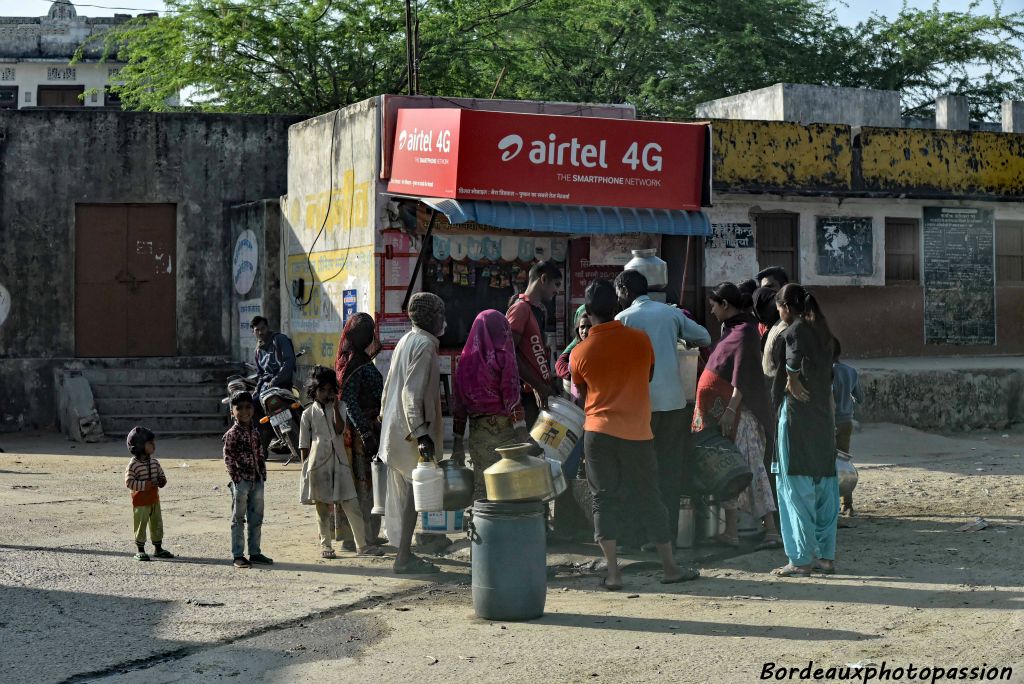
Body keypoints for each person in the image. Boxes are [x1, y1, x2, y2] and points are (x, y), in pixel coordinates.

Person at [571, 279, 697, 590]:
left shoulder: (580, 352)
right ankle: (670, 567)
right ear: (616, 307)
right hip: (638, 431)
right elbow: (649, 374)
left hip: (598, 433)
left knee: (603, 499)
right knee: (650, 496)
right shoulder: (640, 341)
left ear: (587, 312)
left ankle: (613, 573)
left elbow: (581, 390)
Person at [615, 269, 711, 546]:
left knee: (639, 471)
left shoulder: (623, 319)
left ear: (623, 291)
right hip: (673, 405)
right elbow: (704, 337)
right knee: (669, 471)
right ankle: (664, 537)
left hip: (639, 408)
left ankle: (639, 534)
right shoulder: (670, 314)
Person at [693, 283, 780, 549]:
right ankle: (731, 531)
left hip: (742, 417)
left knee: (753, 469)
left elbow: (743, 375)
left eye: (714, 305)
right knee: (728, 469)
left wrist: (731, 410)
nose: (711, 310)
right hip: (723, 416)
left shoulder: (745, 332)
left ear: (725, 305)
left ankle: (771, 531)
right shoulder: (730, 330)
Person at [771, 283, 839, 577]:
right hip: (823, 418)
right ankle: (825, 556)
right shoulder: (823, 333)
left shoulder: (795, 330)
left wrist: (793, 378)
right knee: (824, 485)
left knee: (794, 488)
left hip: (798, 419)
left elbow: (792, 358)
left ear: (785, 307)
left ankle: (799, 559)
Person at [378, 292, 446, 574]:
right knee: (411, 496)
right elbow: (411, 392)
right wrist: (421, 435)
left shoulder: (408, 339)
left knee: (408, 495)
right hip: (411, 431)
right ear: (433, 317)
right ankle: (403, 557)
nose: (444, 321)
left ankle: (404, 553)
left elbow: (391, 385)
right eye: (441, 314)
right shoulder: (425, 346)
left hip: (397, 426)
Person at [299, 366, 384, 559]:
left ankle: (362, 545)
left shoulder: (342, 407)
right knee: (322, 508)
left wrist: (336, 407)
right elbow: (304, 444)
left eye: (330, 390)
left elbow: (339, 429)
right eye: (322, 390)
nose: (327, 394)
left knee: (351, 505)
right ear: (314, 391)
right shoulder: (307, 414)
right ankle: (326, 546)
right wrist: (305, 469)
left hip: (340, 462)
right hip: (317, 465)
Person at [451, 310, 529, 503]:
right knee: (506, 484)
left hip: (477, 433)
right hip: (502, 431)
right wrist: (522, 431)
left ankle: (481, 526)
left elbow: (459, 407)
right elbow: (511, 394)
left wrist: (458, 443)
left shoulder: (464, 362)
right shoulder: (503, 355)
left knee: (483, 482)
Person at [335, 312, 385, 546]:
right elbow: (349, 401)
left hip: (362, 428)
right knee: (361, 482)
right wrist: (365, 433)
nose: (368, 336)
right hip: (359, 432)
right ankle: (359, 536)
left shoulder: (354, 359)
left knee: (363, 482)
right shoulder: (355, 363)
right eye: (364, 332)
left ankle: (362, 534)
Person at [507, 260, 563, 426]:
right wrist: (537, 385)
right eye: (556, 284)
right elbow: (509, 353)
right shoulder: (520, 308)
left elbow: (536, 355)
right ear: (543, 279)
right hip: (522, 396)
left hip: (537, 394)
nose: (557, 291)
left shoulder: (539, 311)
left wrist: (549, 384)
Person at [223, 391, 273, 569]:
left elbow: (260, 453)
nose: (244, 411)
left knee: (256, 518)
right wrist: (236, 479)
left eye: (248, 407)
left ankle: (255, 552)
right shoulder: (232, 434)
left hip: (257, 480)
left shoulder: (255, 431)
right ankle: (238, 555)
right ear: (232, 412)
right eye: (239, 408)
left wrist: (262, 475)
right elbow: (228, 457)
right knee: (238, 519)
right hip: (242, 482)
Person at [124, 426, 174, 562]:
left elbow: (161, 475)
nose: (154, 445)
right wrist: (143, 486)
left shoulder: (154, 462)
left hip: (154, 499)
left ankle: (158, 548)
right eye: (150, 443)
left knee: (157, 523)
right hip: (140, 501)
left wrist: (162, 481)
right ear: (140, 446)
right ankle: (140, 549)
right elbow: (129, 482)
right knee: (141, 524)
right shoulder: (133, 465)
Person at [554, 304, 591, 481]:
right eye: (582, 326)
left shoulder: (599, 350)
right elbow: (560, 364)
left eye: (590, 326)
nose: (585, 330)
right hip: (576, 411)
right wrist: (571, 375)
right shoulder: (574, 350)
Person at [832, 338, 863, 516]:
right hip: (846, 422)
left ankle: (831, 502)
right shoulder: (850, 372)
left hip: (828, 422)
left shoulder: (824, 372)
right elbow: (860, 397)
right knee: (843, 461)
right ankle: (848, 504)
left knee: (827, 463)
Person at [251, 316, 297, 399]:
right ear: (253, 332)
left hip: (283, 387)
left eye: (263, 328)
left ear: (267, 328)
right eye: (257, 330)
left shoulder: (280, 339)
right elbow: (261, 374)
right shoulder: (258, 350)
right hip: (266, 389)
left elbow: (289, 361)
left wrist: (274, 381)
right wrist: (257, 389)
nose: (260, 332)